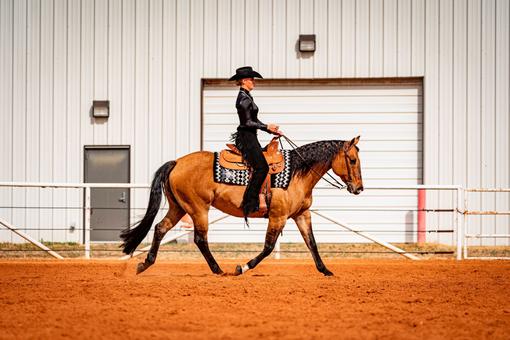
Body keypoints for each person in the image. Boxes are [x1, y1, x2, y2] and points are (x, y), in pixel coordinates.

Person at [229, 66, 282, 219]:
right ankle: (250, 202)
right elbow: (247, 123)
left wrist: (270, 130)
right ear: (245, 81)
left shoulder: (247, 97)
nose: (254, 82)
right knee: (262, 167)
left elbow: (254, 121)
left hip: (251, 136)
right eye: (252, 79)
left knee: (263, 163)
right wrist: (266, 127)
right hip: (247, 137)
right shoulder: (243, 99)